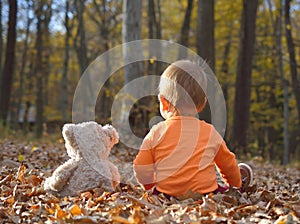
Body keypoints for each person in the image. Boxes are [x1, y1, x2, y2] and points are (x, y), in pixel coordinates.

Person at [133, 60, 253, 198]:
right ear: (202, 104)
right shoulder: (209, 132)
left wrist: (150, 186)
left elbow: (140, 167)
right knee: (223, 192)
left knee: (159, 190)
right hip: (205, 195)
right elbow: (228, 165)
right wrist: (235, 185)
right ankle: (239, 187)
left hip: (167, 195)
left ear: (164, 103)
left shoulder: (157, 132)